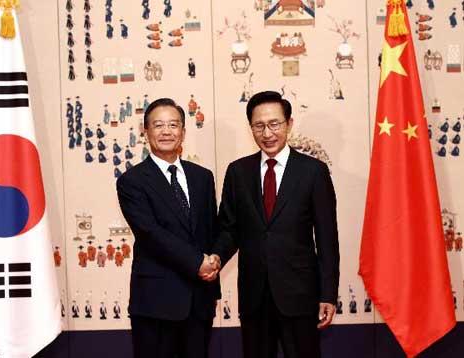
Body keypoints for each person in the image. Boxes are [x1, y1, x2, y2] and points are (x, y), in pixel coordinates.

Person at [209, 91, 339, 358]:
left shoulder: (313, 171)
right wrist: (215, 257)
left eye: (274, 124)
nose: (267, 133)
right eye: (259, 126)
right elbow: (230, 228)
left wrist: (328, 293)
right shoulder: (238, 172)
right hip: (254, 296)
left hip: (301, 296)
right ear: (251, 128)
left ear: (289, 124)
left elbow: (327, 238)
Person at [116, 98, 221, 358]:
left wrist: (215, 258)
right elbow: (151, 234)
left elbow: (211, 228)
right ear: (146, 131)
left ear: (183, 132)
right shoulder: (132, 181)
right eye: (158, 125)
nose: (166, 131)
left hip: (199, 301)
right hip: (155, 302)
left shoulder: (202, 177)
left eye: (173, 125)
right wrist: (198, 262)